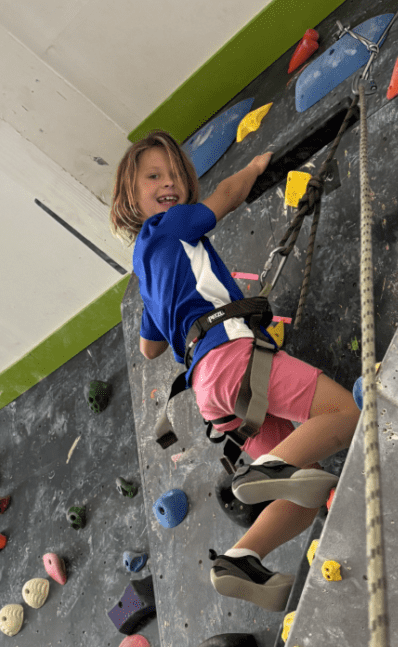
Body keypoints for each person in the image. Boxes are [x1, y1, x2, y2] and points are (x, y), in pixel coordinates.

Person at [111, 130, 360, 612]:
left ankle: (241, 559)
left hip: (212, 393)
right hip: (231, 356)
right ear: (130, 197)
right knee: (344, 413)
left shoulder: (146, 270)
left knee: (303, 488)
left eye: (176, 176)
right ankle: (267, 469)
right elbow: (223, 198)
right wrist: (254, 167)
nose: (169, 183)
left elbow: (148, 348)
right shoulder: (170, 225)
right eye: (154, 176)